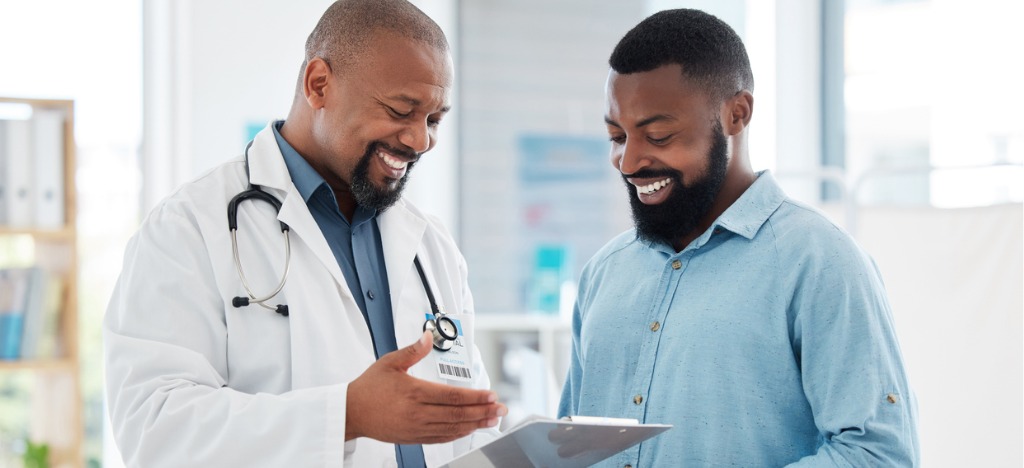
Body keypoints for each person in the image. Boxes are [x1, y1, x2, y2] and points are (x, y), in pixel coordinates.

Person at [104, 1, 506, 466]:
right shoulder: (189, 227)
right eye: (401, 110)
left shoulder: (433, 248)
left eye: (433, 120)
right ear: (319, 85)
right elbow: (154, 428)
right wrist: (346, 415)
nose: (420, 141)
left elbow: (470, 431)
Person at [558, 9, 919, 467]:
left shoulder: (820, 262)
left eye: (659, 135)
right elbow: (569, 449)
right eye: (616, 136)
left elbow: (878, 455)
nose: (628, 163)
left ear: (736, 113)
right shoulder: (603, 273)